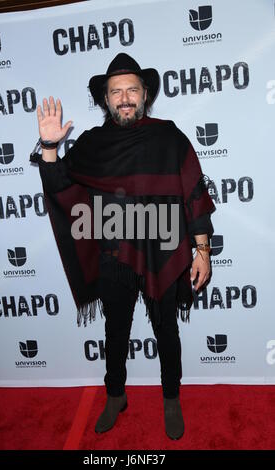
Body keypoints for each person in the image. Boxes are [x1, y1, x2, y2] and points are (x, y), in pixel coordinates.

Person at [31, 53, 215, 440]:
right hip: (113, 254)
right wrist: (50, 146)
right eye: (116, 92)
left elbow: (193, 194)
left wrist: (202, 251)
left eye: (132, 89)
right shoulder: (92, 144)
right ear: (106, 100)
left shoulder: (168, 137)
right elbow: (61, 183)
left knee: (167, 331)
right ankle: (115, 395)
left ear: (145, 94)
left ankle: (170, 397)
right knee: (115, 331)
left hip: (162, 251)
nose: (125, 97)